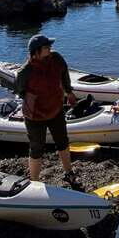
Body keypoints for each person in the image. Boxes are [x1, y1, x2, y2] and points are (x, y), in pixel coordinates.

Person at [15, 34, 81, 189]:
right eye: (46, 47)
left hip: (56, 109)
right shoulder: (25, 71)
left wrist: (69, 92)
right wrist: (34, 100)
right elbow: (19, 89)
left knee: (62, 142)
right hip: (34, 116)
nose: (50, 49)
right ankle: (34, 182)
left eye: (49, 46)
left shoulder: (56, 58)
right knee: (37, 148)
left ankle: (69, 172)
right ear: (35, 52)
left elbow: (64, 73)